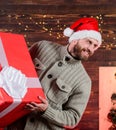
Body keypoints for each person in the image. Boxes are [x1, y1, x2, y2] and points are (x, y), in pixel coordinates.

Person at [6, 17, 102, 130]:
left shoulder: (84, 81)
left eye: (95, 46)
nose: (91, 48)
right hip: (14, 125)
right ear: (76, 38)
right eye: (89, 42)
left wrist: (47, 111)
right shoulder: (42, 47)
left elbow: (73, 119)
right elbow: (16, 69)